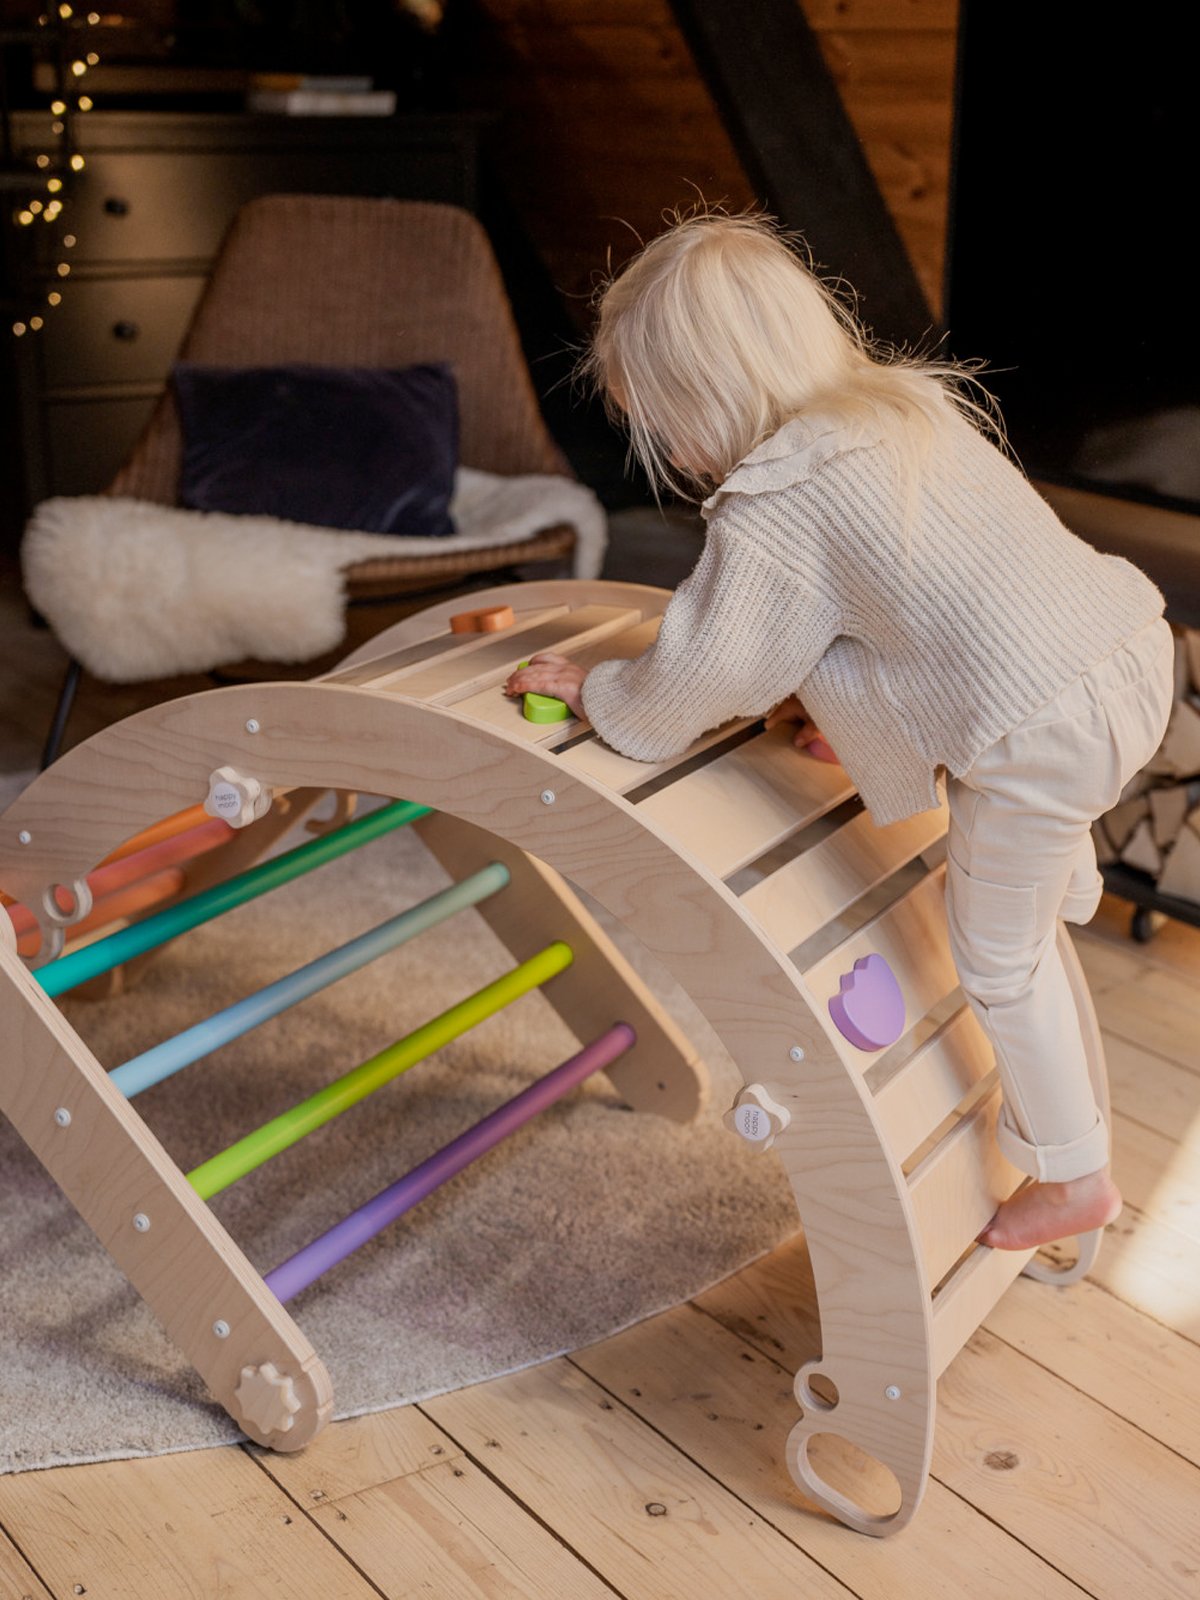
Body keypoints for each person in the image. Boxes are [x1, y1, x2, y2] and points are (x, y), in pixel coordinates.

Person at [504, 210, 1173, 1253]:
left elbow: (713, 661)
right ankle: (1051, 879)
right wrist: (847, 719)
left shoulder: (778, 497)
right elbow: (912, 609)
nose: (674, 452)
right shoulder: (900, 412)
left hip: (1045, 726)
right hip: (1127, 656)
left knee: (996, 959)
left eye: (665, 424)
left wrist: (605, 695)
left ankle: (1073, 1171)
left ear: (709, 398)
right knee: (1012, 877)